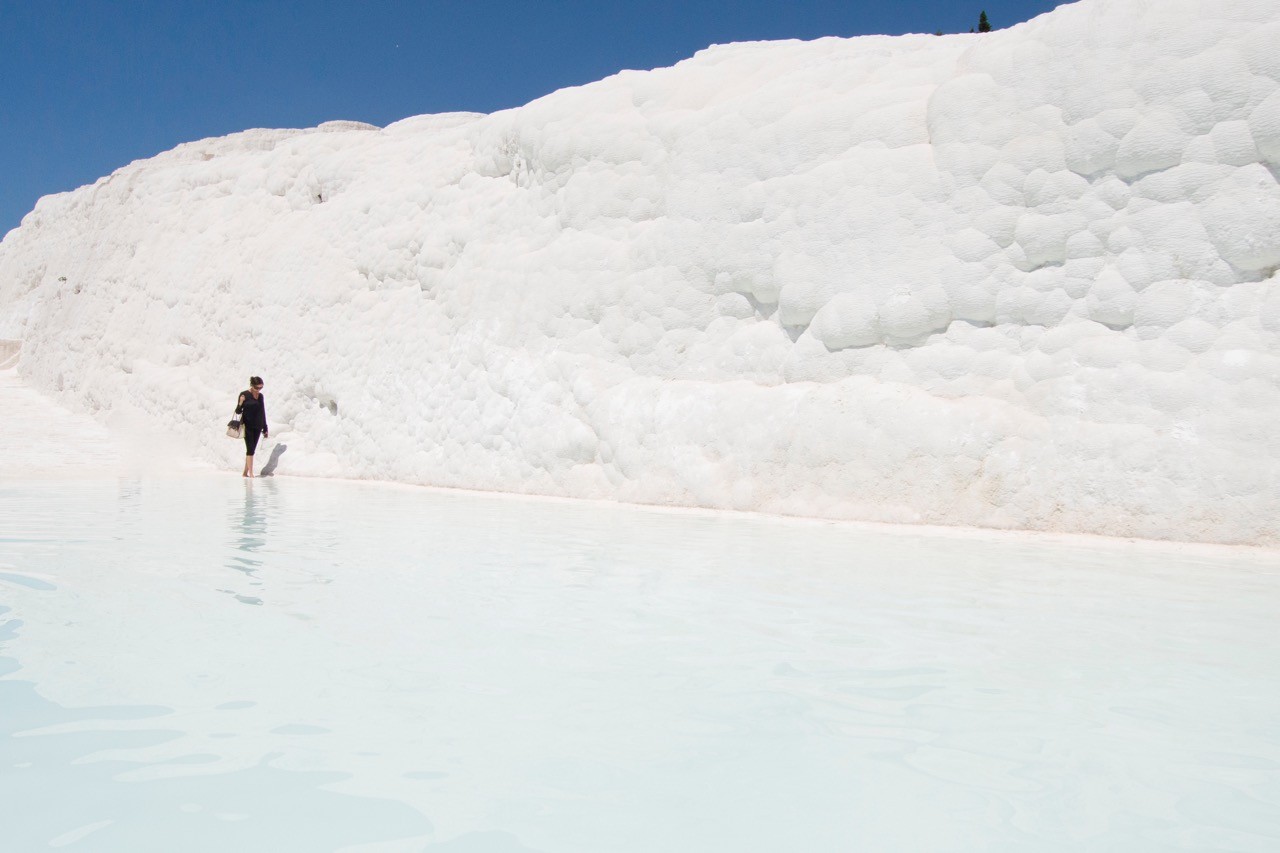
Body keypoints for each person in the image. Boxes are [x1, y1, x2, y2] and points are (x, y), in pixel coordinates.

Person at [235, 376, 269, 477]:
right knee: (250, 449)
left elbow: (262, 412)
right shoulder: (244, 395)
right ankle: (251, 473)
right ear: (252, 386)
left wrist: (265, 427)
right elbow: (237, 411)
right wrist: (241, 402)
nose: (259, 390)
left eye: (261, 388)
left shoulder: (261, 396)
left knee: (252, 449)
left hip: (258, 426)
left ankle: (245, 472)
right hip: (247, 426)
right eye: (257, 388)